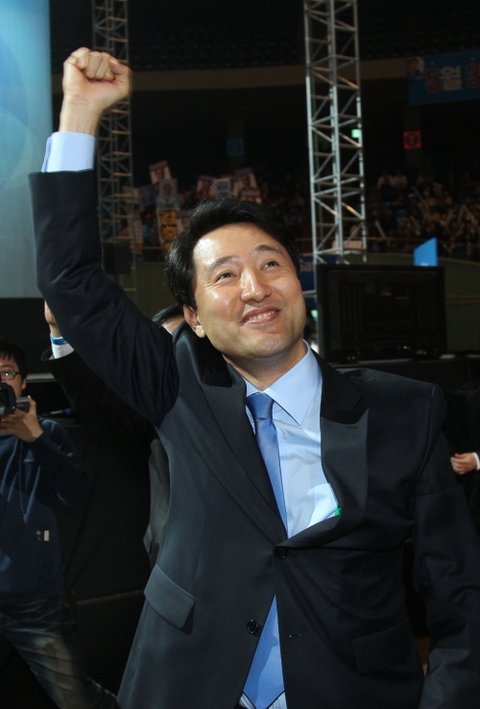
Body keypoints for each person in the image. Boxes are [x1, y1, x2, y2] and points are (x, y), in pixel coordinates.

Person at [30, 47, 480, 709]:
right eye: (224, 275)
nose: (254, 287)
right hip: (186, 687)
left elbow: (459, 593)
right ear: (194, 318)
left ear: (299, 285)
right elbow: (69, 278)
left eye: (271, 264)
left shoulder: (406, 410)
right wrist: (80, 111)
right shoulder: (176, 386)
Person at [0, 337, 118, 708]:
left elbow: (76, 494)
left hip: (35, 602)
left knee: (76, 697)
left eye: (6, 373)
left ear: (23, 383)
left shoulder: (47, 433)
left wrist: (35, 439)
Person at [43, 302, 184, 567]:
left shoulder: (249, 403)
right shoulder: (158, 417)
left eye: (184, 347)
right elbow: (94, 398)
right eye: (165, 350)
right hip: (177, 564)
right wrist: (59, 331)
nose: (176, 359)